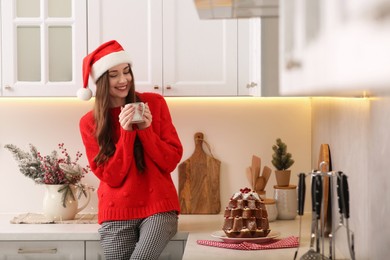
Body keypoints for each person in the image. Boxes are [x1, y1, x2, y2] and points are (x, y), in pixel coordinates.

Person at [77, 40, 183, 260]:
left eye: (127, 72)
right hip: (116, 212)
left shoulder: (154, 103)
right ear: (102, 81)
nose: (123, 80)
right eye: (114, 74)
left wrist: (145, 130)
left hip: (159, 209)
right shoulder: (90, 123)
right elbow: (111, 176)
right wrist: (126, 133)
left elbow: (170, 160)